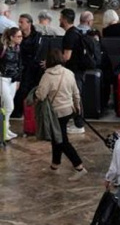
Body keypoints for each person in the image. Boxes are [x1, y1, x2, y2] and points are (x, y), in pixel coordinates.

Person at [34, 49, 87, 177]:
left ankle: (79, 167)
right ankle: (54, 165)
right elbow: (76, 92)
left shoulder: (47, 76)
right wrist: (77, 107)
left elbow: (41, 95)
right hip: (68, 110)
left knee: (61, 140)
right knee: (57, 138)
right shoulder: (69, 73)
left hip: (55, 113)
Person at [0, 26, 23, 140]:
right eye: (18, 36)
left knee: (7, 106)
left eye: (21, 36)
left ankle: (6, 129)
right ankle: (3, 130)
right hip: (2, 78)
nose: (21, 38)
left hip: (13, 80)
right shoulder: (3, 47)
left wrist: (18, 79)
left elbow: (19, 65)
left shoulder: (18, 48)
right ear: (11, 37)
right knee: (9, 106)